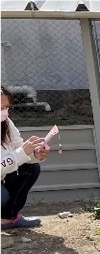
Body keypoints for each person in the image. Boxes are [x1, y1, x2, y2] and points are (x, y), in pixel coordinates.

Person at [1, 85, 48, 230]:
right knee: (2, 196)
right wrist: (22, 153)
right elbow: (19, 154)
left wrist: (35, 154)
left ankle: (7, 219)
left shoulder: (6, 122)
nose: (4, 111)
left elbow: (19, 150)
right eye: (0, 107)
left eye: (6, 107)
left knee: (31, 168)